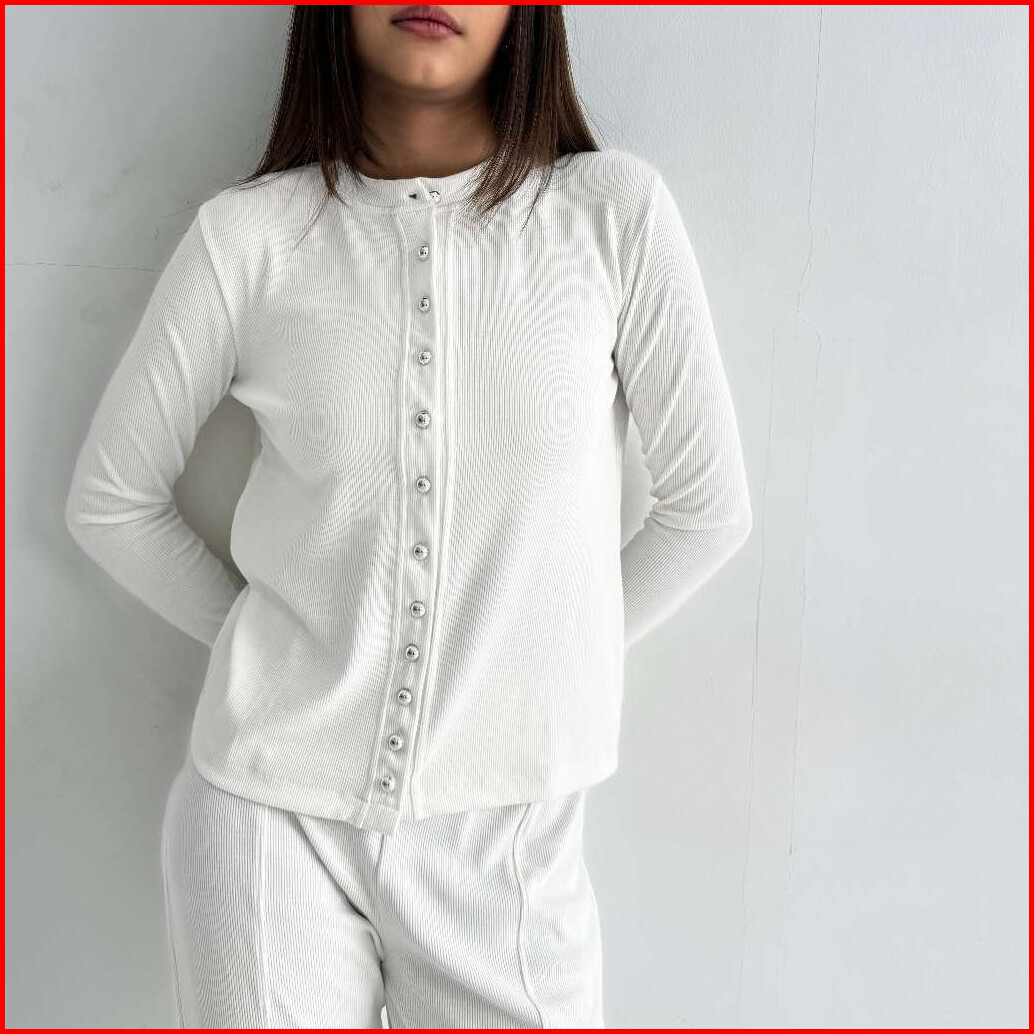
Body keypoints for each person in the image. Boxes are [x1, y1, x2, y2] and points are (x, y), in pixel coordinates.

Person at [64, 5, 753, 1028]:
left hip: (507, 845)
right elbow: (111, 500)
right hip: (265, 821)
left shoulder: (610, 213)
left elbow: (707, 510)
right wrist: (288, 657)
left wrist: (521, 668)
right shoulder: (251, 237)